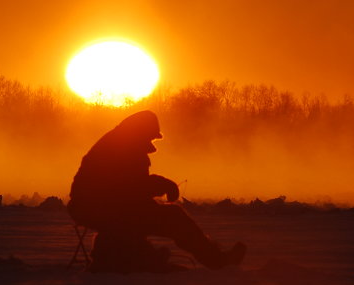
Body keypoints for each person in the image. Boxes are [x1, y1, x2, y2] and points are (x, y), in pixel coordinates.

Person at [68, 110, 246, 272]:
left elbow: (129, 191)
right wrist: (163, 185)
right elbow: (130, 187)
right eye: (150, 136)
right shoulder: (123, 148)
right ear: (141, 133)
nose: (151, 141)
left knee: (146, 217)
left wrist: (157, 188)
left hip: (96, 206)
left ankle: (137, 257)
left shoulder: (121, 143)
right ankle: (215, 260)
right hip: (98, 207)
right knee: (173, 218)